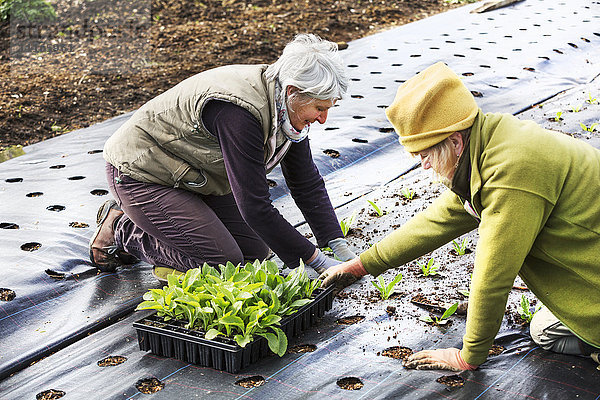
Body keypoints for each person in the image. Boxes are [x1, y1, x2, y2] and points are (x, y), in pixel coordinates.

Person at [320, 62, 600, 371]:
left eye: (426, 155)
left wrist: (467, 356)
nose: (424, 166)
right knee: (543, 331)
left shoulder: (512, 171)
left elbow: (493, 275)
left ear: (455, 141)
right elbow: (437, 221)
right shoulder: (490, 140)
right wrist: (361, 266)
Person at [88, 33, 356, 282]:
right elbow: (255, 207)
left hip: (193, 175)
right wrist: (317, 261)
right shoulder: (240, 112)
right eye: (319, 108)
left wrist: (336, 244)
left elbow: (305, 182)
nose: (323, 119)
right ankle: (122, 228)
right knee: (221, 262)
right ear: (292, 91)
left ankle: (166, 219)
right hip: (143, 173)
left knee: (255, 254)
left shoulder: (287, 108)